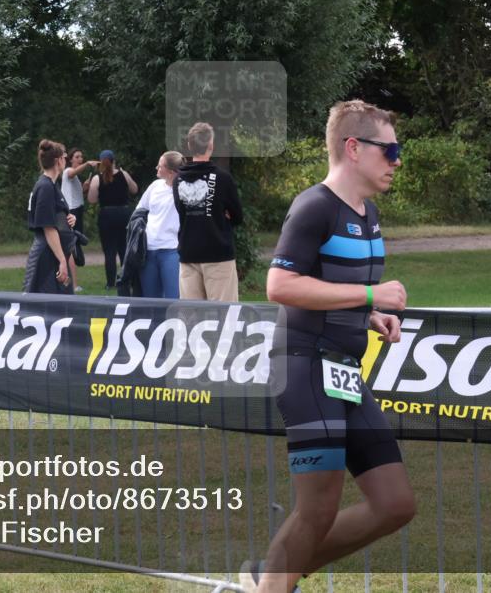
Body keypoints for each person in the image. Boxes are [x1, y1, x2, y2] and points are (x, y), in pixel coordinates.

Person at [245, 100, 414, 593]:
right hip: (304, 367)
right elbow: (279, 286)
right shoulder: (314, 205)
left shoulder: (368, 212)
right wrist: (369, 295)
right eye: (390, 150)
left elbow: (325, 287)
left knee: (395, 503)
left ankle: (272, 574)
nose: (397, 161)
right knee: (316, 509)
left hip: (343, 370)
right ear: (354, 148)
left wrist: (367, 314)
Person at [172, 122, 243, 301]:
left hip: (189, 253)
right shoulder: (223, 178)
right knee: (225, 316)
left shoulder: (178, 180)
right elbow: (238, 216)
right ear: (211, 146)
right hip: (217, 254)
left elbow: (182, 211)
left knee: (192, 318)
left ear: (189, 146)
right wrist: (221, 215)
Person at [23, 139, 76, 295]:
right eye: (64, 156)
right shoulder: (45, 187)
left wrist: (69, 218)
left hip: (55, 253)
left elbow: (56, 217)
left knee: (63, 307)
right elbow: (48, 228)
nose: (66, 160)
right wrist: (62, 262)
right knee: (42, 308)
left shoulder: (52, 185)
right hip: (47, 255)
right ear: (57, 160)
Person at [87, 149, 138, 290]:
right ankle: (126, 279)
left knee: (109, 250)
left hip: (107, 215)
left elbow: (91, 200)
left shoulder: (97, 178)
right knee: (124, 249)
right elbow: (134, 189)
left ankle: (110, 283)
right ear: (114, 161)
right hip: (124, 213)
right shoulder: (123, 174)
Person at [136, 151, 183, 298]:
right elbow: (140, 210)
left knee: (173, 297)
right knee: (150, 298)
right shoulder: (155, 186)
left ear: (171, 172)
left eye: (160, 165)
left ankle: (175, 321)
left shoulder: (183, 190)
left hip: (172, 250)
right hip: (149, 249)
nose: (156, 167)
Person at [62, 148, 99, 291]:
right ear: (70, 159)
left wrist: (84, 189)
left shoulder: (75, 177)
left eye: (82, 157)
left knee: (74, 248)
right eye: (77, 157)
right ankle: (73, 285)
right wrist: (88, 164)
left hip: (77, 211)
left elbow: (76, 196)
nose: (80, 159)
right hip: (70, 213)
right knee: (70, 249)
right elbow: (73, 172)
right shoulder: (68, 172)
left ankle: (69, 282)